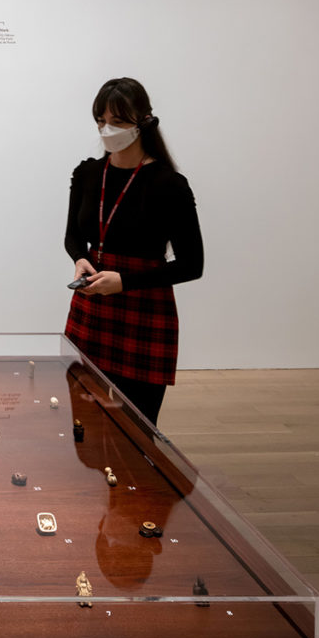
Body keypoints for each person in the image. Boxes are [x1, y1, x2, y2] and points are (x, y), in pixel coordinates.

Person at [64, 78, 203, 425]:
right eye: (101, 121)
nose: (107, 130)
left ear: (144, 122)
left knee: (138, 426)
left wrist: (124, 282)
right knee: (83, 416)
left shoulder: (169, 185)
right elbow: (72, 238)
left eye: (118, 122)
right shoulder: (88, 173)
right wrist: (80, 258)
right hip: (92, 303)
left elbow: (191, 265)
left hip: (144, 308)